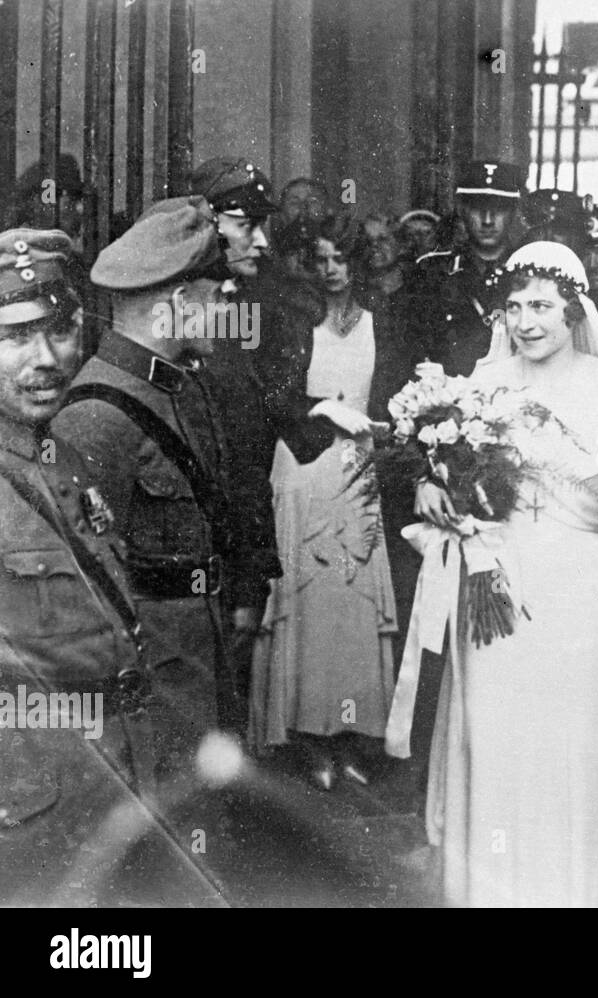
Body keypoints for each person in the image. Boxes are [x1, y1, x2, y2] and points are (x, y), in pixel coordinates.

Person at [407, 241, 598, 907]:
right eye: (513, 307)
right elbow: (448, 472)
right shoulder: (480, 387)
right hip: (496, 580)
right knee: (500, 741)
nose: (526, 321)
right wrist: (433, 483)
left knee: (572, 744)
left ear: (574, 307)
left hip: (577, 586)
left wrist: (539, 433)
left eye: (541, 305)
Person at [0, 228, 221, 905]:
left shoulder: (60, 456)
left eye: (60, 332)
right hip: (27, 805)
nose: (46, 360)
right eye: (15, 337)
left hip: (110, 784)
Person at [249, 213, 408, 790]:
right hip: (304, 466)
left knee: (352, 605)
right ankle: (308, 739)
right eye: (321, 260)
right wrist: (320, 407)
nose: (332, 271)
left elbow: (393, 392)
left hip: (358, 469)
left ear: (357, 262)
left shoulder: (378, 320)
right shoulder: (293, 321)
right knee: (309, 602)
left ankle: (350, 738)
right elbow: (271, 396)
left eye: (341, 259)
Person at [187, 156, 284, 730]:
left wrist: (252, 572)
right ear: (209, 223)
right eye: (248, 224)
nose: (263, 240)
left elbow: (249, 456)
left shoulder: (240, 311)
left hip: (233, 558)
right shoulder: (179, 320)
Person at [416, 161, 525, 376]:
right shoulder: (432, 271)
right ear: (462, 210)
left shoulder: (529, 270)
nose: (487, 220)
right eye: (478, 208)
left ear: (513, 212)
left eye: (499, 209)